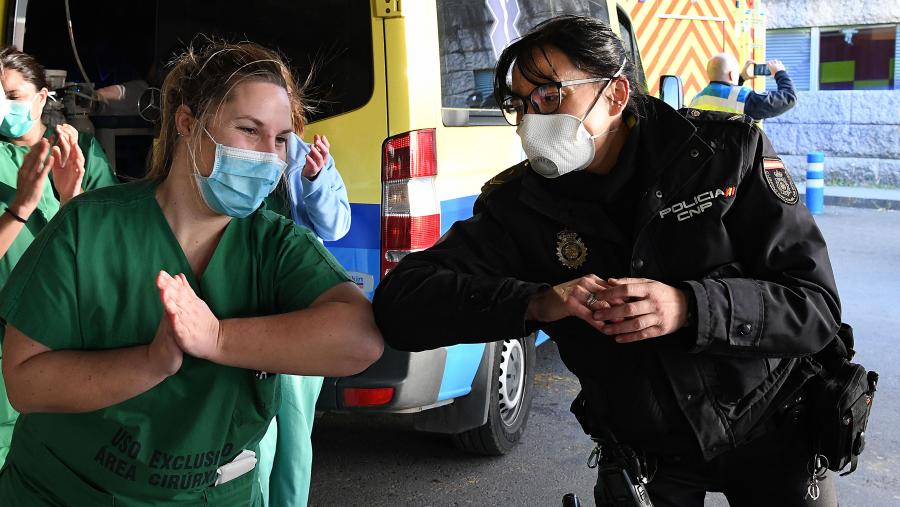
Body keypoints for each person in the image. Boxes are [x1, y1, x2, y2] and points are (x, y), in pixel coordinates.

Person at [373, 15, 840, 507]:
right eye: (520, 105)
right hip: (647, 455)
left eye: (550, 96)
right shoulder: (520, 205)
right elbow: (402, 303)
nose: (533, 121)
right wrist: (535, 302)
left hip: (773, 431)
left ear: (615, 95)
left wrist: (689, 307)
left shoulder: (723, 154)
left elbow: (815, 307)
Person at [0, 40, 383, 505]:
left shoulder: (275, 244)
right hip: (66, 493)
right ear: (187, 123)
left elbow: (360, 339)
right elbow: (25, 382)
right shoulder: (89, 227)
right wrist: (149, 363)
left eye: (281, 140)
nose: (269, 156)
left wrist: (217, 338)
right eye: (249, 130)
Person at [258, 131, 351, 507]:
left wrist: (314, 180)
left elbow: (335, 225)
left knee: (295, 438)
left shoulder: (307, 156)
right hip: (246, 314)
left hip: (299, 316)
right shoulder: (234, 155)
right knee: (254, 445)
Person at [0, 76, 87, 468]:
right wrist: (20, 208)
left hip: (56, 350)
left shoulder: (68, 152)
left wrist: (71, 197)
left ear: (41, 98)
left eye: (13, 95)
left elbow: (91, 250)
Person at [0, 46, 119, 195]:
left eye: (13, 97)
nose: (3, 106)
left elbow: (109, 210)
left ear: (42, 97)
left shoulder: (81, 148)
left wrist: (72, 192)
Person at [690, 52, 797, 121]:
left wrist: (741, 78)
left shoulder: (697, 99)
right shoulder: (744, 99)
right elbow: (789, 98)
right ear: (732, 75)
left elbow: (725, 97)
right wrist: (780, 73)